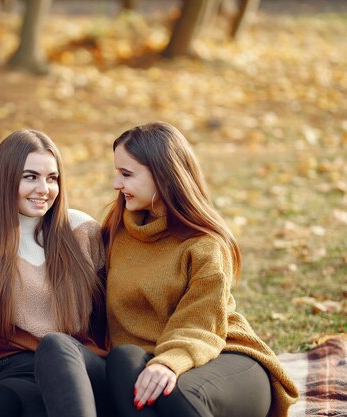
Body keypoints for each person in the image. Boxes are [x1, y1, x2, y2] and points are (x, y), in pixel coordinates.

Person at [102, 121, 299, 417]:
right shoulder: (116, 233)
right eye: (117, 172)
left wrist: (170, 362)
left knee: (170, 392)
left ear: (162, 176)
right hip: (150, 365)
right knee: (123, 363)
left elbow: (201, 322)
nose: (117, 184)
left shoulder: (203, 244)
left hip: (223, 355)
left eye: (126, 174)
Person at [0, 129, 112, 417]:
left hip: (80, 366)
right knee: (0, 405)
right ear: (5, 178)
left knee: (56, 348)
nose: (43, 189)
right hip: (13, 370)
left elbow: (106, 317)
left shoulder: (81, 230)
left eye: (52, 178)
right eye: (30, 177)